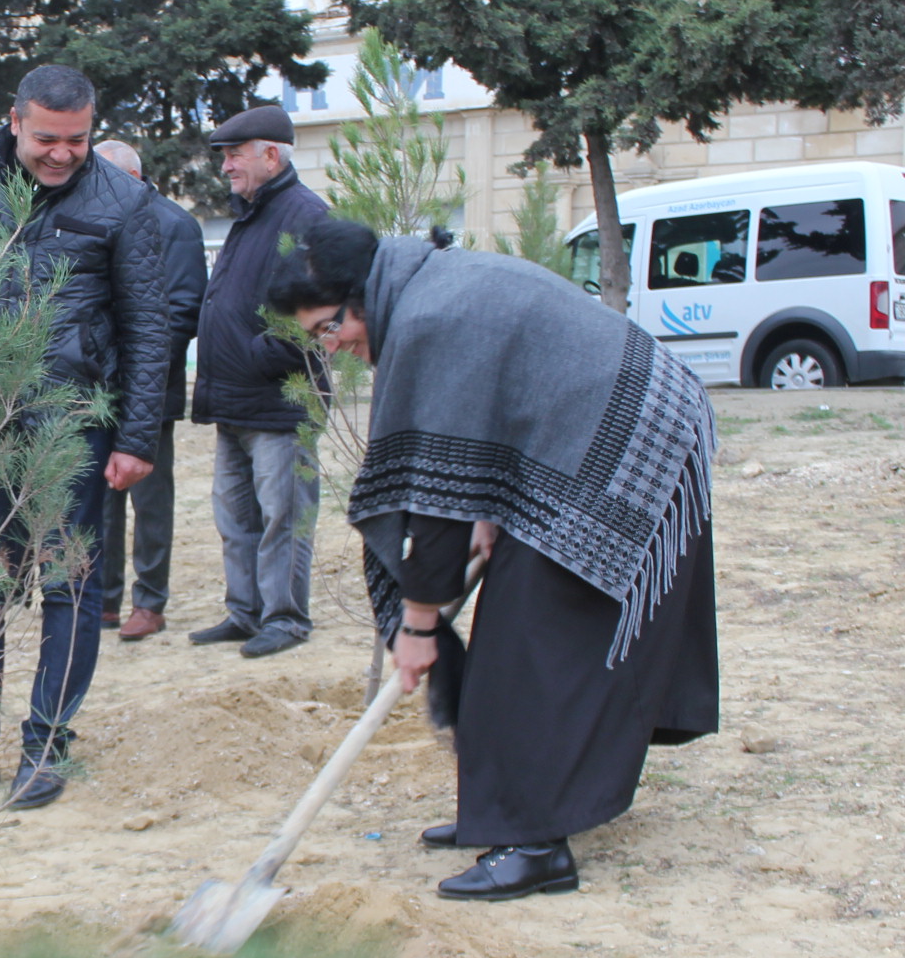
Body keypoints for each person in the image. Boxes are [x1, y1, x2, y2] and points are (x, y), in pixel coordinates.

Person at [264, 221, 719, 902]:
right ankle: (500, 809)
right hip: (585, 430)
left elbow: (436, 504)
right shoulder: (423, 287)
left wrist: (417, 626)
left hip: (632, 436)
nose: (336, 347)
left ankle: (534, 843)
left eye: (330, 328)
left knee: (530, 643)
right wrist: (489, 510)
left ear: (360, 295)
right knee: (522, 631)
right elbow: (477, 428)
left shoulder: (428, 315)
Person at [0, 65, 166, 812]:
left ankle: (46, 748)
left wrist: (138, 435)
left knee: (69, 586)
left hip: (74, 425)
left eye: (78, 139)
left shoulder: (124, 201)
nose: (62, 154)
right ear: (15, 121)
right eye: (46, 139)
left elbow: (148, 327)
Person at [188, 103, 330, 660]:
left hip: (279, 402)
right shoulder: (250, 216)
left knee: (284, 517)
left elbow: (316, 312)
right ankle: (245, 613)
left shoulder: (305, 216)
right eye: (223, 156)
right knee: (237, 518)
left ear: (271, 155)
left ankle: (286, 619)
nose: (225, 166)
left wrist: (257, 357)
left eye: (234, 155)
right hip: (233, 402)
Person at [91, 138, 207, 642]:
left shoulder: (176, 225)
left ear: (133, 178)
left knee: (151, 501)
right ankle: (105, 598)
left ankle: (151, 602)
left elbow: (181, 313)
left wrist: (135, 367)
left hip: (148, 390)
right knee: (102, 501)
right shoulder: (94, 216)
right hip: (95, 387)